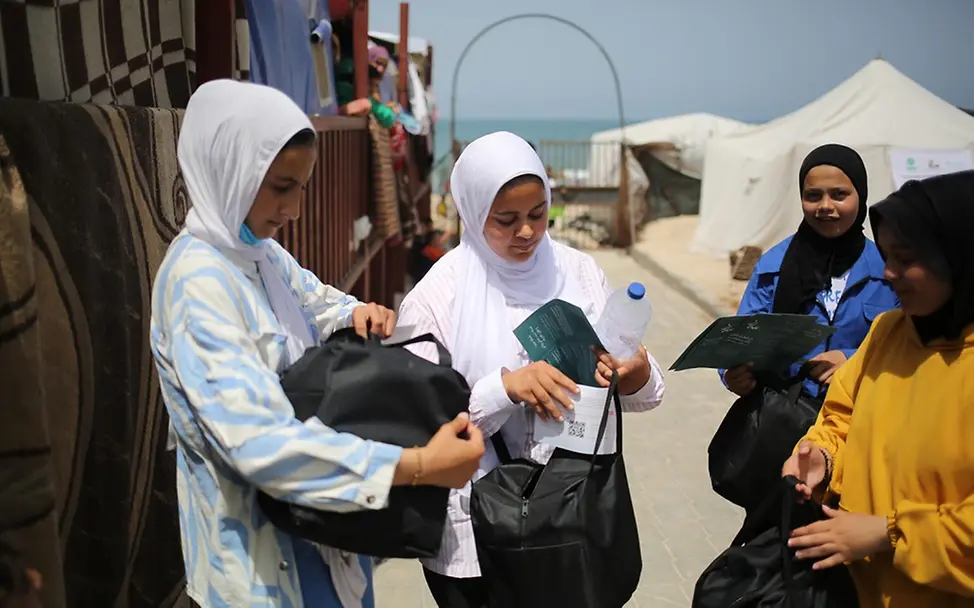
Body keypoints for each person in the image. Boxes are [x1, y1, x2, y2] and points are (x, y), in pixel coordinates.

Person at [150, 80, 485, 608]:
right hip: (258, 577)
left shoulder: (257, 254)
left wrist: (357, 312)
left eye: (301, 187)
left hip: (324, 547)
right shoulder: (199, 285)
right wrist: (418, 465)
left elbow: (318, 301)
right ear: (230, 170)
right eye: (281, 186)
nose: (295, 209)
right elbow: (260, 444)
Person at [397, 131, 666, 607]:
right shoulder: (437, 298)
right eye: (506, 220)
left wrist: (636, 373)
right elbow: (415, 423)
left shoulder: (578, 272)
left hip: (570, 517)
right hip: (475, 536)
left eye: (538, 215)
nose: (526, 232)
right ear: (473, 211)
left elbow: (644, 389)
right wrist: (504, 389)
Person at [782, 171, 974, 607]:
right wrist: (822, 456)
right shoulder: (890, 332)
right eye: (887, 255)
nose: (889, 273)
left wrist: (891, 533)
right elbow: (841, 417)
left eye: (907, 259)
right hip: (856, 589)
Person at [722, 144, 898, 401]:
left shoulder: (888, 269)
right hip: (785, 417)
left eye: (839, 194)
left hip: (862, 414)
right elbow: (742, 339)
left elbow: (907, 343)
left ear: (861, 195)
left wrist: (853, 360)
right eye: (813, 195)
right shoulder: (774, 265)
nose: (825, 206)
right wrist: (732, 375)